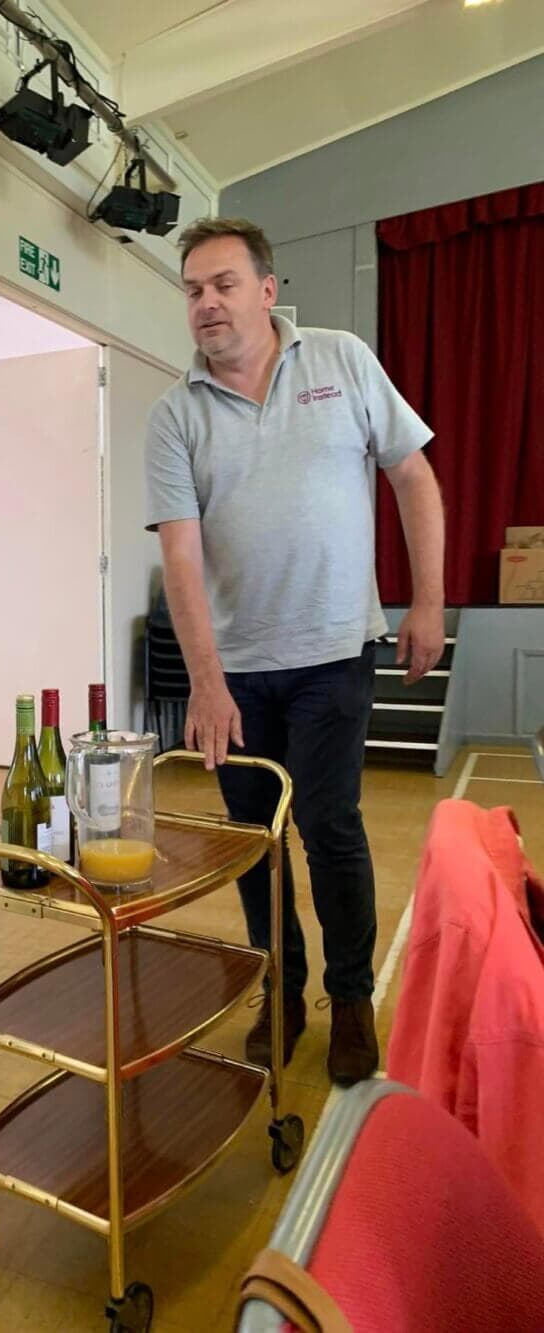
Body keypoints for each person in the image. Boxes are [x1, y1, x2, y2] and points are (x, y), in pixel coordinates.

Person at [145, 217, 445, 1085]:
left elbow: (413, 475)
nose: (207, 302)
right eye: (193, 289)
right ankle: (280, 984)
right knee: (254, 838)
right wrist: (205, 681)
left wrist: (424, 602)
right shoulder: (176, 414)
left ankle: (349, 997)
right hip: (236, 670)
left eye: (224, 283)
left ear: (267, 290)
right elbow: (180, 552)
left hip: (331, 652)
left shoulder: (342, 360)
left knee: (330, 827)